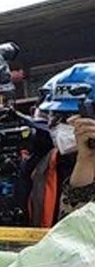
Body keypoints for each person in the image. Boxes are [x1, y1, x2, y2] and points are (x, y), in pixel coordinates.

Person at [28, 63, 95, 225]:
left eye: (73, 115)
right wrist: (86, 160)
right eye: (57, 117)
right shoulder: (45, 164)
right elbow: (73, 229)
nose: (64, 125)